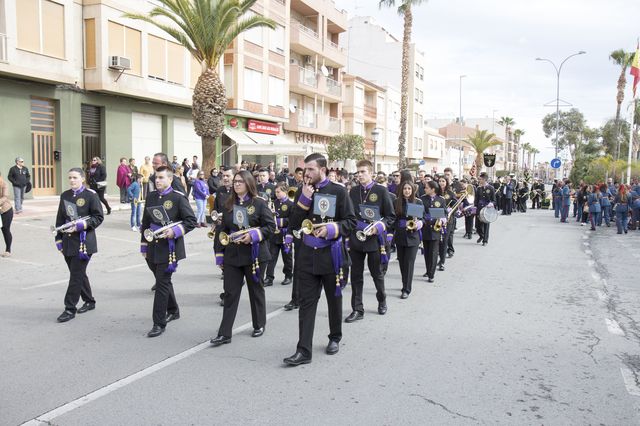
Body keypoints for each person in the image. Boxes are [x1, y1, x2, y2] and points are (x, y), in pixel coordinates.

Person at [283, 153, 356, 366]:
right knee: (306, 303)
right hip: (307, 256)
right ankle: (303, 350)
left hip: (331, 255)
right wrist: (303, 201)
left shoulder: (339, 191)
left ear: (323, 169)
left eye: (311, 169)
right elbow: (294, 224)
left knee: (334, 299)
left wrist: (333, 228)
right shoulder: (302, 191)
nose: (307, 173)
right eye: (305, 169)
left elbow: (350, 222)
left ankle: (335, 337)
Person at [210, 170, 275, 346]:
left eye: (240, 181)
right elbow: (222, 230)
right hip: (233, 254)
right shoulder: (228, 203)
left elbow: (271, 227)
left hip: (255, 254)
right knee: (230, 293)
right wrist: (219, 253)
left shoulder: (259, 203)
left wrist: (254, 235)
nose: (236, 184)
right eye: (235, 181)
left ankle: (259, 324)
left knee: (256, 290)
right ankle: (224, 333)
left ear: (248, 183)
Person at [141, 166, 196, 337]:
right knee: (161, 279)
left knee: (162, 283)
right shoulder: (150, 196)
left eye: (162, 178)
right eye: (156, 177)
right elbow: (145, 222)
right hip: (152, 246)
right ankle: (173, 310)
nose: (157, 180)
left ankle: (158, 323)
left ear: (170, 179)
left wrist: (175, 231)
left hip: (169, 248)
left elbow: (191, 221)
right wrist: (143, 245)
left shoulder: (178, 198)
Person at [345, 159, 395, 323]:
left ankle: (382, 300)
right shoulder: (353, 191)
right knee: (356, 276)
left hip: (374, 240)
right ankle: (357, 309)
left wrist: (379, 227)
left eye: (363, 172)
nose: (359, 175)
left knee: (376, 275)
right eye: (358, 172)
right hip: (356, 239)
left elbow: (390, 216)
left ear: (371, 173)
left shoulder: (381, 191)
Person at [54, 168, 104, 322]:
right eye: (69, 177)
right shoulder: (65, 195)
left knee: (75, 275)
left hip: (84, 243)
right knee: (78, 273)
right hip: (68, 242)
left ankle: (70, 308)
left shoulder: (91, 195)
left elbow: (98, 217)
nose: (72, 180)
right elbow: (60, 218)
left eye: (75, 177)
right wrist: (59, 239)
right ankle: (89, 301)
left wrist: (82, 225)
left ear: (82, 178)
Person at [393, 181, 423, 298]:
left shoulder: (418, 202)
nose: (407, 191)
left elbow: (423, 217)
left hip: (413, 236)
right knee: (402, 262)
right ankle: (404, 283)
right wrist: (400, 225)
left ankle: (406, 289)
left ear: (413, 190)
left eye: (409, 189)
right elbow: (392, 219)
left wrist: (419, 223)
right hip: (400, 235)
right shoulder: (396, 202)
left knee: (409, 263)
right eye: (405, 188)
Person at [264, 183, 294, 286]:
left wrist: (279, 222)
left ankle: (288, 275)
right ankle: (269, 277)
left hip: (286, 234)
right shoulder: (273, 203)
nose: (276, 194)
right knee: (271, 256)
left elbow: (292, 220)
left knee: (287, 256)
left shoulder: (291, 204)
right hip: (274, 234)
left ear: (285, 191)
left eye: (278, 192)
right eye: (275, 192)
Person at [420, 181, 445, 283]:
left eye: (426, 188)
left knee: (434, 252)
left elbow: (445, 213)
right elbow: (420, 212)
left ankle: (432, 274)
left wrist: (443, 219)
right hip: (425, 228)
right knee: (426, 252)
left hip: (435, 229)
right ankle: (428, 270)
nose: (425, 189)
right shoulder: (422, 199)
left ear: (433, 189)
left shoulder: (441, 199)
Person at [436, 176, 457, 269]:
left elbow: (455, 204)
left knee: (444, 241)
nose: (441, 183)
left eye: (443, 181)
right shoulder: (435, 191)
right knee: (437, 241)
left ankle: (442, 262)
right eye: (440, 181)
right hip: (436, 219)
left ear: (446, 182)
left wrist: (450, 209)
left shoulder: (450, 193)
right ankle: (437, 259)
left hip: (447, 220)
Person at [474, 172, 496, 246]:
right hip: (479, 208)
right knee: (478, 226)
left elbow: (494, 200)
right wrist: (475, 207)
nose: (479, 180)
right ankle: (481, 236)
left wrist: (492, 203)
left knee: (486, 225)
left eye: (480, 179)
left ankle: (485, 240)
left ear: (484, 179)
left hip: (487, 208)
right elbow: (476, 199)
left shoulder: (491, 188)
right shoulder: (478, 188)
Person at [0, 172, 13, 257]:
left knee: (5, 229)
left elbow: (5, 196)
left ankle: (8, 250)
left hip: (5, 211)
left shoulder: (4, 184)